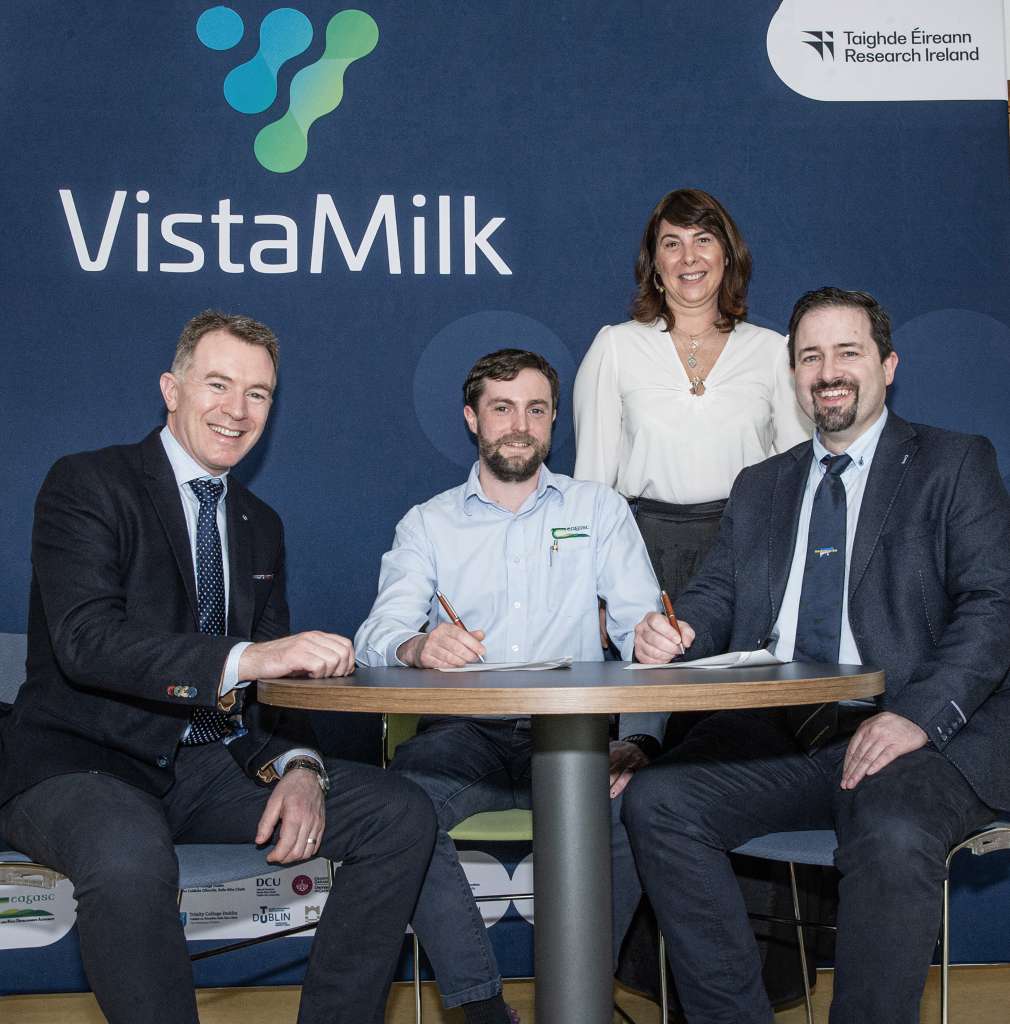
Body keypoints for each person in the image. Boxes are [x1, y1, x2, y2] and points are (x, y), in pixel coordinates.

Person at [0, 311, 436, 1024]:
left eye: (259, 393)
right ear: (172, 389)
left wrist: (300, 767)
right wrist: (248, 657)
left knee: (400, 812)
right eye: (219, 384)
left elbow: (272, 694)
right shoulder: (87, 483)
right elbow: (86, 640)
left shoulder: (259, 524)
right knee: (129, 857)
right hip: (82, 764)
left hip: (205, 769)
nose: (237, 410)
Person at [624, 287, 1010, 1023]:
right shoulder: (762, 485)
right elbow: (714, 597)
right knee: (660, 801)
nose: (828, 371)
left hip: (920, 733)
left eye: (848, 353)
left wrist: (916, 720)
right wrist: (676, 632)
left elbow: (995, 607)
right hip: (790, 732)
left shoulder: (954, 463)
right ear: (793, 375)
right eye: (810, 356)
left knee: (892, 827)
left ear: (888, 366)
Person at [354, 348, 662, 1024]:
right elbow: (373, 639)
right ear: (472, 419)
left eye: (535, 409)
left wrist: (642, 718)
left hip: (576, 736)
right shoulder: (428, 523)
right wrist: (416, 643)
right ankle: (482, 1007)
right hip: (464, 736)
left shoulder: (600, 509)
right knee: (395, 811)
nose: (519, 424)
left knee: (643, 811)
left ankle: (576, 1003)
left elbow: (645, 630)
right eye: (501, 408)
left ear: (553, 421)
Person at [574, 188, 809, 609]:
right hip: (642, 558)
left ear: (727, 255)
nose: (689, 257)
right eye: (672, 244)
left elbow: (794, 481)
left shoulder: (773, 351)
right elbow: (592, 486)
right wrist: (592, 594)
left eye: (703, 239)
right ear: (655, 265)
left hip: (748, 553)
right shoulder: (615, 347)